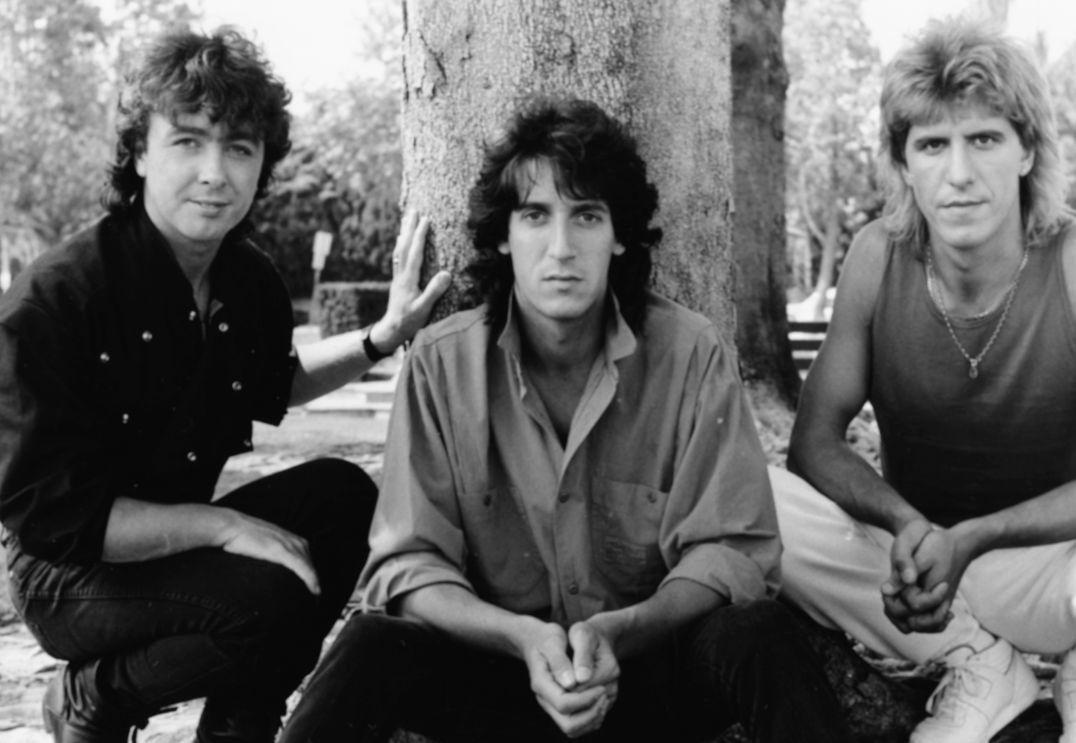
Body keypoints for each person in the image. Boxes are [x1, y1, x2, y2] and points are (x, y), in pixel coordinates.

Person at [277, 97, 848, 743]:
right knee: (371, 642)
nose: (561, 248)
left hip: (647, 673)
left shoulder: (691, 353)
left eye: (586, 216)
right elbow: (406, 564)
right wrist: (520, 638)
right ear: (502, 233)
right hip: (498, 677)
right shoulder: (442, 364)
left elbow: (733, 549)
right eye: (534, 216)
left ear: (619, 233)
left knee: (757, 632)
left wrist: (623, 630)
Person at [0, 27, 450, 743]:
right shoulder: (50, 306)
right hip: (66, 574)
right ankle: (93, 694)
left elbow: (275, 384)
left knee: (344, 499)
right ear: (139, 153)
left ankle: (240, 721)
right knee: (271, 590)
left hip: (171, 545)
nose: (215, 172)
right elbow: (59, 523)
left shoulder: (246, 277)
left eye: (239, 147)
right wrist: (226, 525)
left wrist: (381, 336)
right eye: (188, 141)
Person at [775, 17, 1076, 743]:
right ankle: (979, 666)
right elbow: (812, 444)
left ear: (1024, 151)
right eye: (931, 145)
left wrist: (975, 536)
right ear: (902, 163)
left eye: (982, 139)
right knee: (755, 500)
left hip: (1060, 569)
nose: (957, 173)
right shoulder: (875, 257)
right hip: (923, 580)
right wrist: (909, 526)